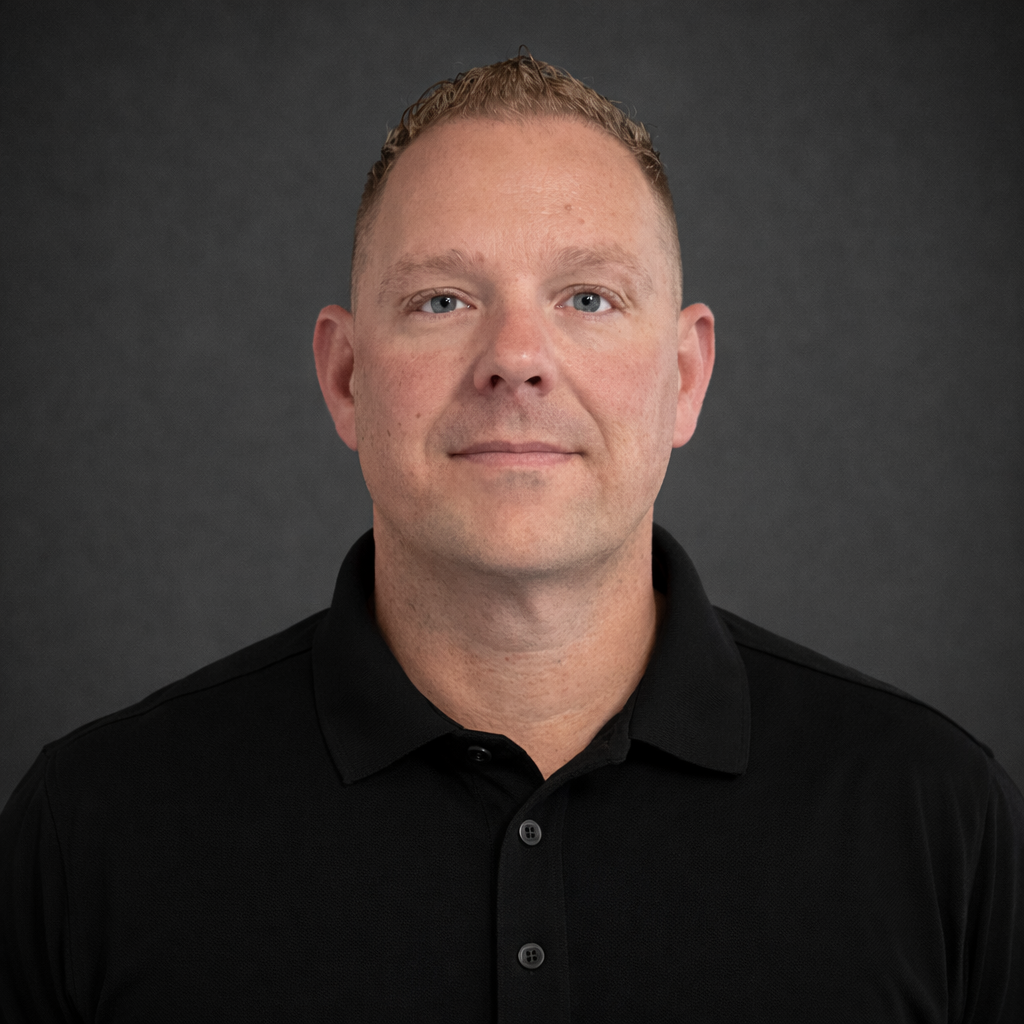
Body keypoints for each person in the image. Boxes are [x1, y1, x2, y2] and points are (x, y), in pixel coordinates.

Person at [1, 52, 1021, 1023]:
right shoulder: (90, 830)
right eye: (442, 300)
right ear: (346, 378)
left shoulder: (937, 817)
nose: (517, 358)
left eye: (588, 297)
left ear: (685, 377)